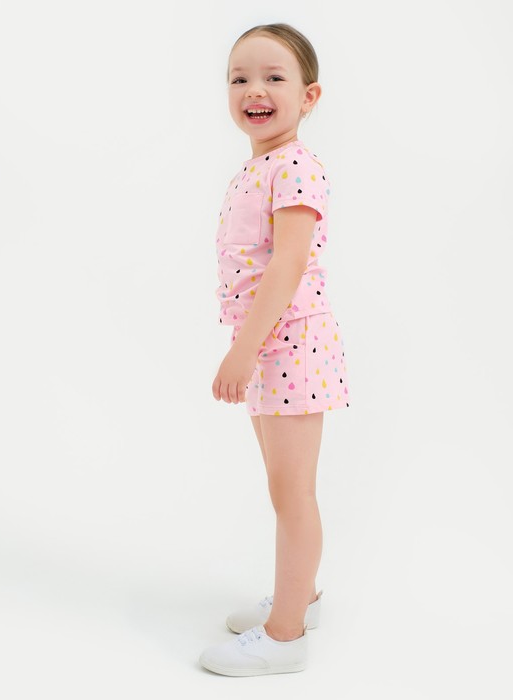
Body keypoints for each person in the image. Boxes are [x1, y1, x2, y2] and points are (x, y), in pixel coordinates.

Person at [199, 22, 350, 677]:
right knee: (281, 488)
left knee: (293, 494)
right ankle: (300, 597)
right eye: (240, 78)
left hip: (291, 347)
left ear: (309, 96)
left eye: (273, 78)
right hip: (272, 350)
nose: (254, 90)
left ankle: (285, 637)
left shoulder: (294, 166)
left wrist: (243, 351)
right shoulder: (261, 166)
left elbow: (287, 266)